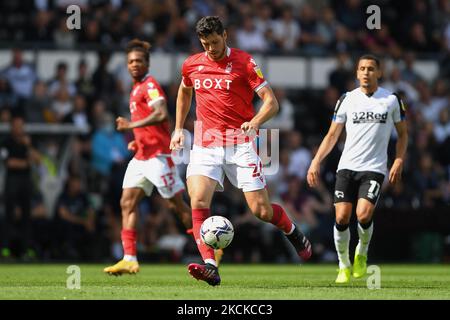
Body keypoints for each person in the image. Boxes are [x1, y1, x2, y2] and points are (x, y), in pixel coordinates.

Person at [170, 16, 312, 286]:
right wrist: (178, 128)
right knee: (198, 200)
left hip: (240, 145)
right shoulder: (192, 64)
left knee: (261, 210)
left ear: (225, 35)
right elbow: (184, 93)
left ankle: (292, 231)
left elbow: (271, 102)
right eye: (205, 43)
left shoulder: (245, 62)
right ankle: (211, 265)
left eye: (214, 42)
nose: (211, 48)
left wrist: (255, 122)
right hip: (205, 144)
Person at [307, 54, 408, 284]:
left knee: (363, 214)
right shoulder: (346, 99)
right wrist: (316, 161)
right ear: (356, 73)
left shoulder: (391, 100)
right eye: (362, 68)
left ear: (379, 73)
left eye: (371, 69)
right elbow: (332, 134)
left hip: (374, 168)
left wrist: (399, 159)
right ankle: (343, 265)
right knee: (341, 216)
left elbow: (403, 134)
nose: (366, 72)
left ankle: (361, 251)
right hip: (347, 166)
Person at [103, 39, 193, 275]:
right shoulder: (135, 89)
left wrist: (131, 124)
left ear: (147, 64)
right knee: (127, 203)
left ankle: (210, 248)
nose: (134, 64)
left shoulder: (150, 85)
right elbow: (150, 123)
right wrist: (138, 137)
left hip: (158, 157)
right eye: (131, 61)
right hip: (141, 156)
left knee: (177, 205)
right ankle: (130, 258)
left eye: (139, 61)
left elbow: (161, 113)